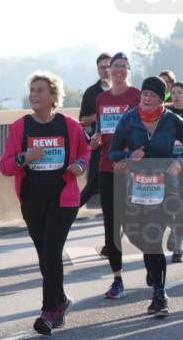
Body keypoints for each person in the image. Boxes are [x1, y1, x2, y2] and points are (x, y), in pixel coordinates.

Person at [0, 72, 89, 335]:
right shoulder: (20, 127)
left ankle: (48, 312)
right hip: (31, 200)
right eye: (32, 90)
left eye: (40, 91)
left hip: (63, 200)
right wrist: (25, 157)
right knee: (45, 257)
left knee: (51, 253)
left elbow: (86, 150)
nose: (34, 95)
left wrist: (80, 165)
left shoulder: (70, 125)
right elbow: (5, 167)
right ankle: (60, 300)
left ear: (53, 97)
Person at [109, 76, 183, 317]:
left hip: (165, 187)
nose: (147, 99)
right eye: (144, 95)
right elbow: (113, 152)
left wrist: (178, 162)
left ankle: (159, 295)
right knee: (134, 233)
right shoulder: (128, 119)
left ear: (161, 99)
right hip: (136, 188)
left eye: (152, 96)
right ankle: (153, 267)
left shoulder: (173, 121)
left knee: (153, 238)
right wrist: (129, 158)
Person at [92, 52, 141, 299]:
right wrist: (95, 140)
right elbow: (101, 131)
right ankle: (117, 279)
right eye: (115, 66)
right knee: (111, 225)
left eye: (123, 66)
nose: (119, 70)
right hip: (107, 167)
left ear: (128, 70)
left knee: (136, 223)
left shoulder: (138, 96)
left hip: (133, 168)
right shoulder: (101, 98)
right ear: (108, 71)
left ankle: (153, 267)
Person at [78, 53, 113, 208]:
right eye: (101, 67)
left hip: (122, 145)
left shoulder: (123, 91)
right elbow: (82, 120)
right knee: (93, 184)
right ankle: (70, 208)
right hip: (99, 145)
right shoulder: (91, 92)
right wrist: (96, 116)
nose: (105, 70)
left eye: (108, 66)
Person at [168, 82, 183, 262]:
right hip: (167, 166)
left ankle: (178, 250)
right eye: (174, 93)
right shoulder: (167, 116)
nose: (177, 96)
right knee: (170, 206)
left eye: (180, 92)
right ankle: (173, 228)